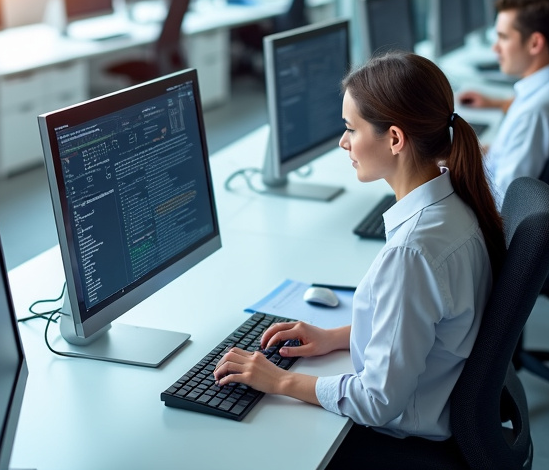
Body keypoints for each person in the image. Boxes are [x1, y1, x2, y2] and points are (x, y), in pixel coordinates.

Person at [213, 52, 505, 465]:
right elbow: (420, 322)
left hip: (403, 441)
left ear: (395, 139)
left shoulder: (413, 252)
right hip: (439, 407)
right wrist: (336, 336)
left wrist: (281, 380)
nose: (343, 141)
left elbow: (376, 401)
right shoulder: (454, 204)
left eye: (351, 128)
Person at [457, 0, 549, 207]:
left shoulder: (534, 112)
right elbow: (509, 155)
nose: (495, 48)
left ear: (535, 43)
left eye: (503, 37)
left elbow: (504, 200)